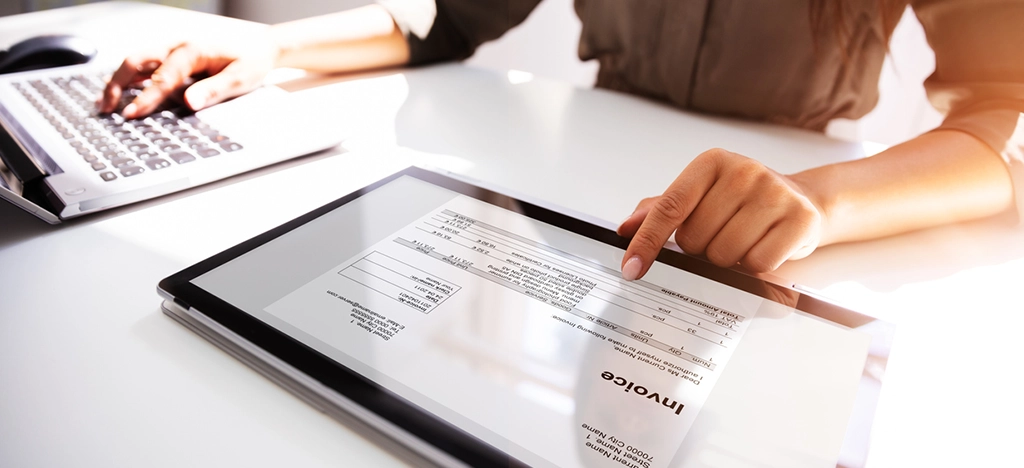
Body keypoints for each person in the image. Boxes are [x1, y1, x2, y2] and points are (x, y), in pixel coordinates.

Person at [99, 0, 1024, 280]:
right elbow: (446, 19)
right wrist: (275, 43)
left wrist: (821, 199)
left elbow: (999, 124)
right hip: (595, 205)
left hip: (783, 229)